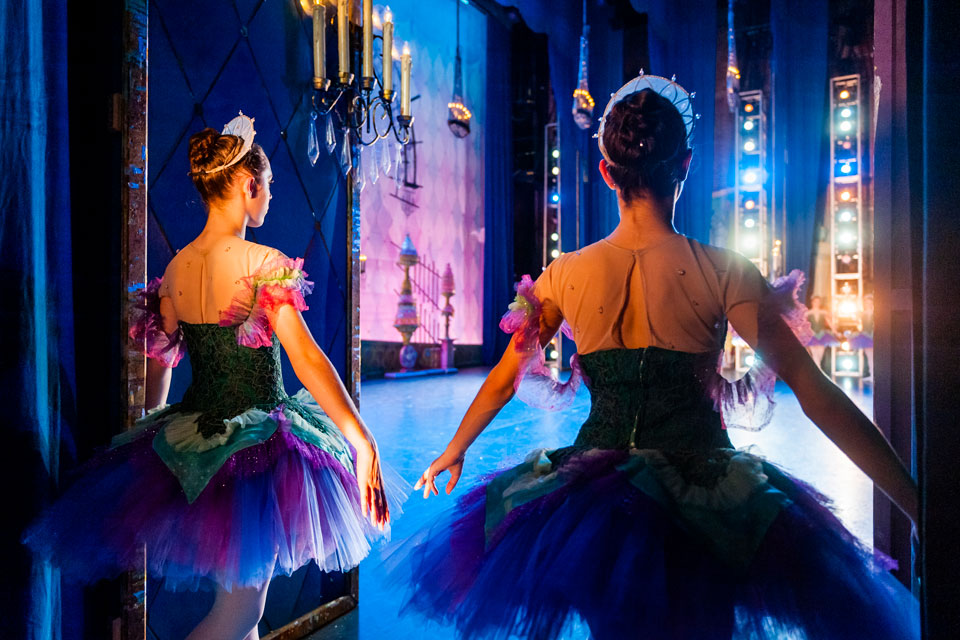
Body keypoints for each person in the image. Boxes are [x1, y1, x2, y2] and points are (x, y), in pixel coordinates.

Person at [393, 77, 919, 639]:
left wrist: (455, 449)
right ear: (685, 165)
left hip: (599, 503)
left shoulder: (566, 274)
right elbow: (815, 393)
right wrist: (914, 501)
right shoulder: (723, 271)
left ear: (606, 171)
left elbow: (504, 378)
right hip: (707, 493)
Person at [25, 114, 398, 640]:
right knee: (239, 613)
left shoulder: (175, 271)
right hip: (257, 451)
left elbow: (158, 379)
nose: (271, 197)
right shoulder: (263, 263)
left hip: (196, 445)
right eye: (269, 187)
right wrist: (362, 440)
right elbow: (307, 360)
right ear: (248, 185)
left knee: (242, 611)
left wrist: (153, 448)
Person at [805, 294, 839, 370]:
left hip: (822, 335)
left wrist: (835, 331)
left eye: (818, 302)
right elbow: (804, 323)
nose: (816, 303)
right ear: (812, 302)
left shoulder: (823, 312)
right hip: (812, 335)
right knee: (814, 355)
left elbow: (829, 322)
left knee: (820, 355)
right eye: (815, 302)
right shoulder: (808, 313)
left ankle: (816, 370)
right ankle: (819, 371)